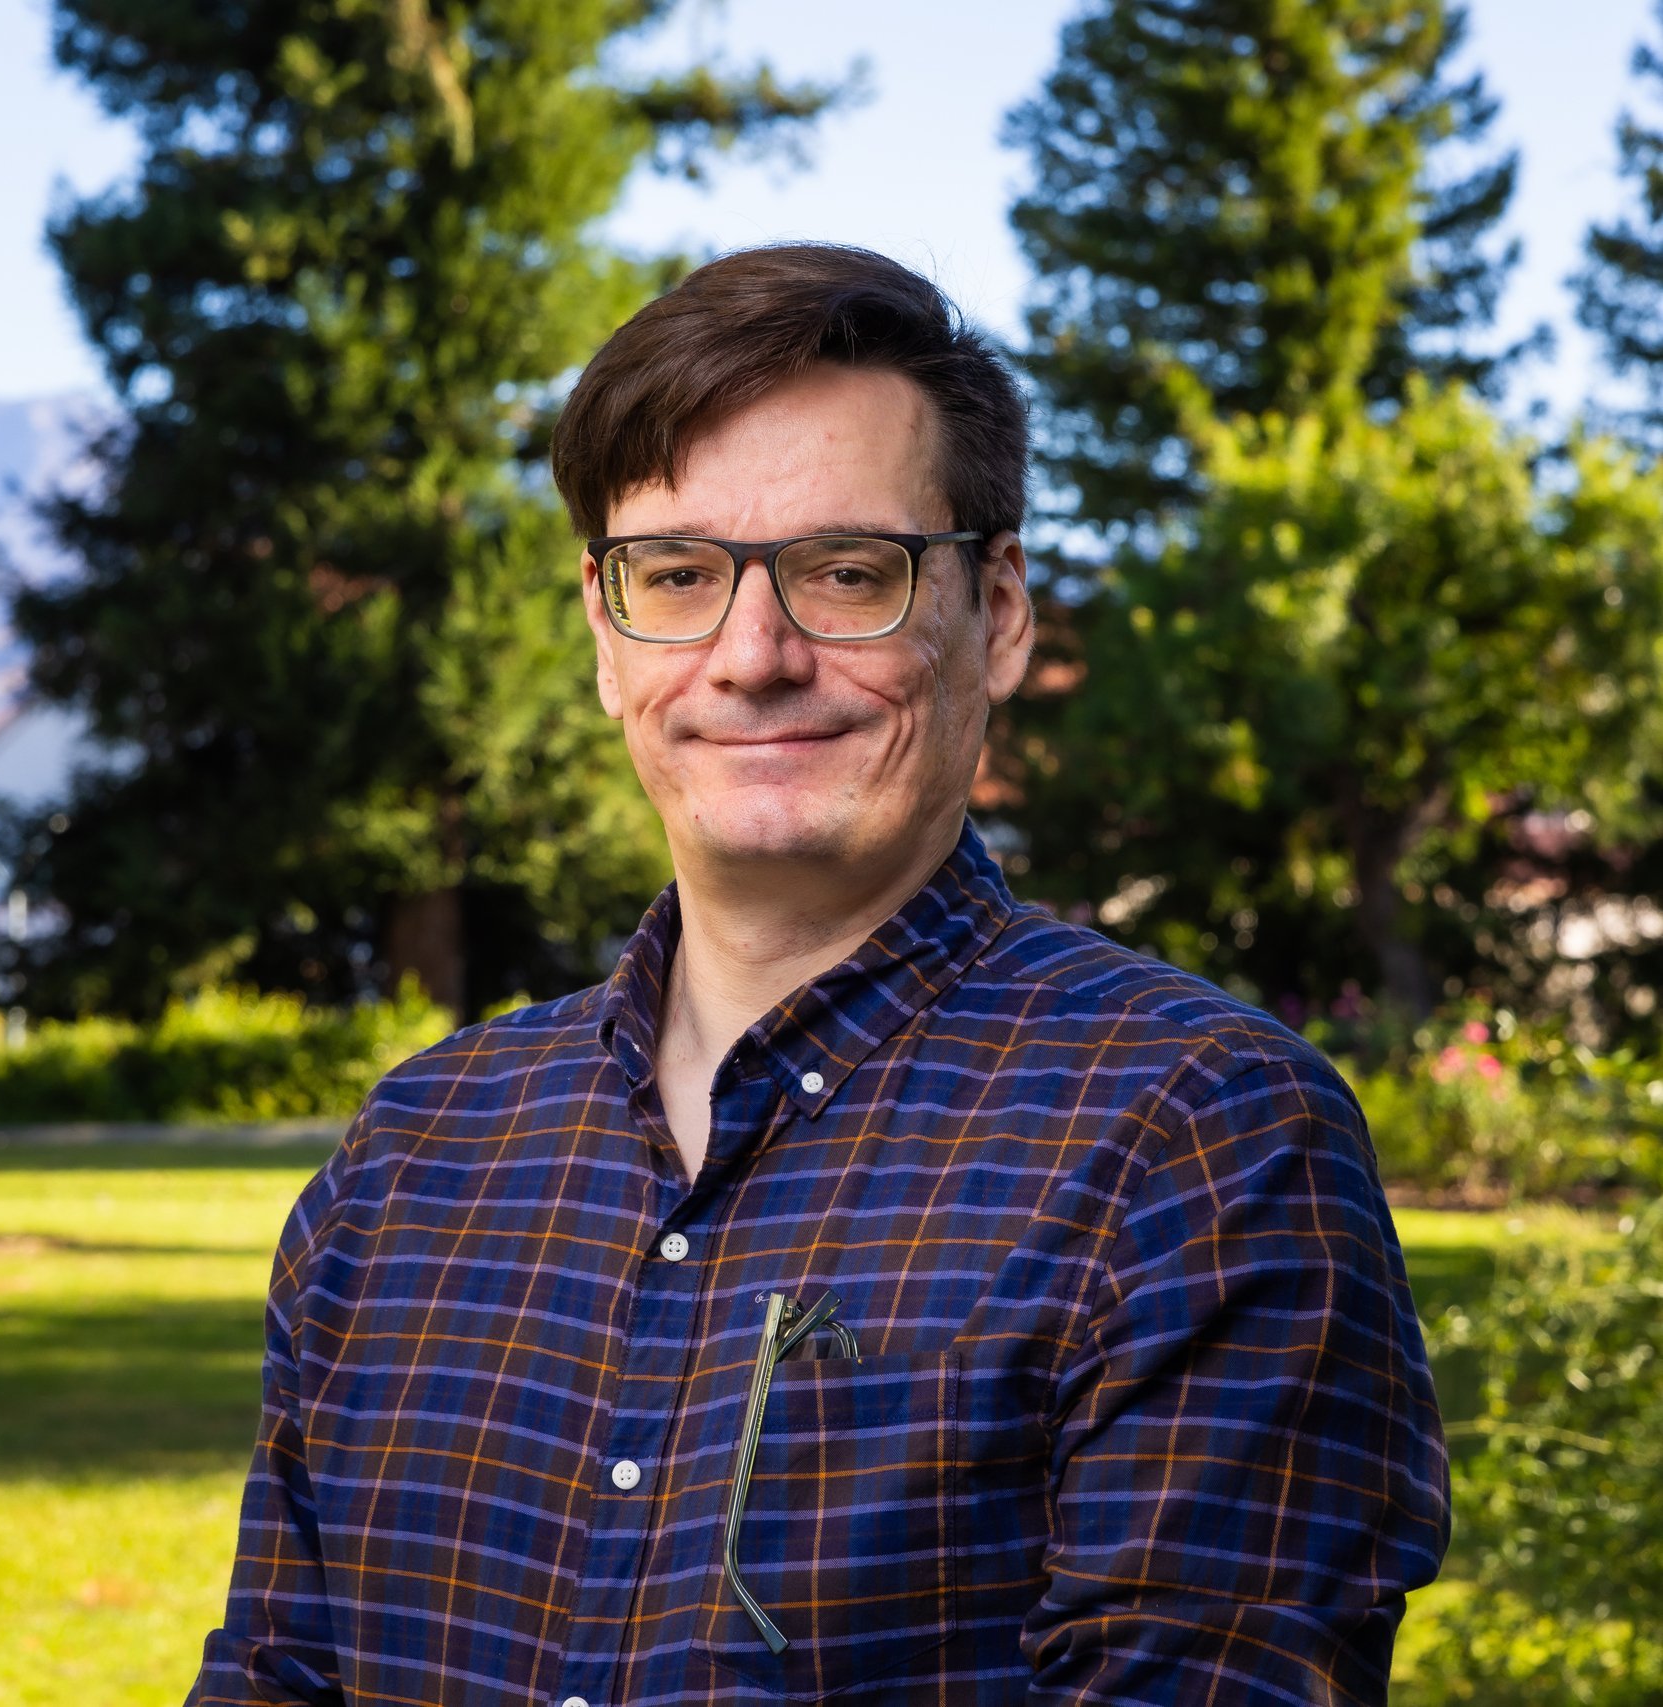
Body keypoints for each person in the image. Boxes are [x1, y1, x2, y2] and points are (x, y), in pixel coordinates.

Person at [188, 243, 1450, 1707]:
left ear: (1003, 614)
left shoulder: (1196, 1140)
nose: (753, 655)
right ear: (606, 635)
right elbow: (277, 1674)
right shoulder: (414, 1155)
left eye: (848, 573)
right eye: (677, 575)